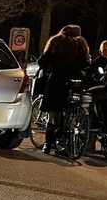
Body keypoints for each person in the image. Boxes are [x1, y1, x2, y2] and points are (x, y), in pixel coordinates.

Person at [37, 24, 90, 154]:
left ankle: (48, 144)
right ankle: (67, 143)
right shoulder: (81, 44)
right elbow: (86, 63)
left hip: (58, 80)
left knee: (53, 113)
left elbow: (43, 61)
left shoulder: (57, 42)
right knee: (72, 110)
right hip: (75, 81)